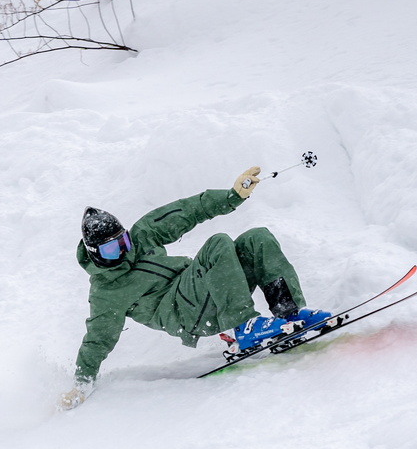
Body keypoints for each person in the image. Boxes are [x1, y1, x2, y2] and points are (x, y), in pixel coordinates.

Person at [58, 166, 331, 410]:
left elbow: (187, 211)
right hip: (184, 315)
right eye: (110, 248)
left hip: (209, 289)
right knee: (218, 244)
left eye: (123, 242)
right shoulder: (106, 292)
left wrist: (232, 195)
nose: (121, 251)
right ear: (95, 253)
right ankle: (244, 326)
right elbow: (97, 339)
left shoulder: (143, 235)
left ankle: (288, 313)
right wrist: (81, 384)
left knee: (256, 238)